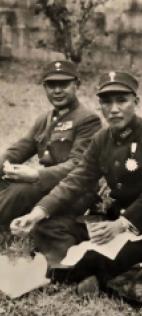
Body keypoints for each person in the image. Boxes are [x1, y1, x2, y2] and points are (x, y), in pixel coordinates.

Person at [10, 71, 142, 296]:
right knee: (47, 227)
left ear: (136, 102)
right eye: (106, 102)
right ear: (100, 105)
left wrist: (121, 225)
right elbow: (77, 180)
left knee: (97, 258)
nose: (114, 109)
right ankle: (83, 270)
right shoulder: (101, 139)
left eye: (122, 101)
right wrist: (37, 212)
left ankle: (78, 272)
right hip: (113, 221)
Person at [0, 60, 101, 226]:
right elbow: (18, 150)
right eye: (51, 85)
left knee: (21, 190)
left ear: (77, 85)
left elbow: (79, 165)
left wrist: (37, 175)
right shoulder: (44, 119)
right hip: (47, 185)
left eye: (64, 84)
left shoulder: (88, 120)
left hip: (75, 190)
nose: (57, 91)